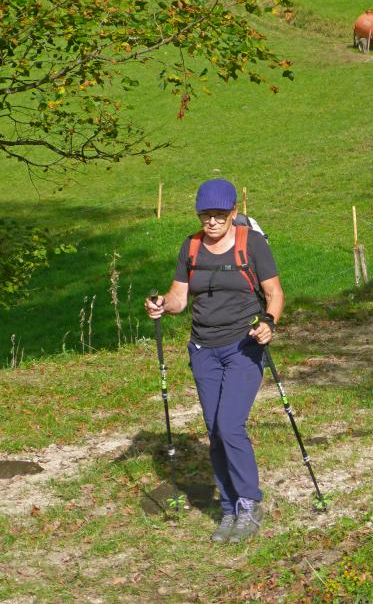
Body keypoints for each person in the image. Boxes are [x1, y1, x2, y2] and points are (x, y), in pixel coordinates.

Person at [144, 178, 284, 543]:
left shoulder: (250, 244)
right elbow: (179, 297)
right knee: (214, 430)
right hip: (203, 349)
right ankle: (229, 507)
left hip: (243, 345)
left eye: (220, 214)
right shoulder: (191, 247)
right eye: (206, 214)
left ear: (233, 213)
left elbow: (274, 293)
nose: (212, 221)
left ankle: (250, 503)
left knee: (229, 425)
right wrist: (163, 305)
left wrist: (269, 323)